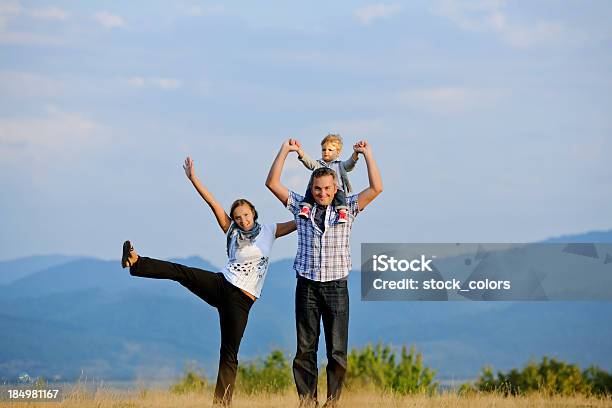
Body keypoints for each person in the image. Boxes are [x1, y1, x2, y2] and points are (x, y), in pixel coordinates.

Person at [121, 156, 296, 406]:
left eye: (246, 215)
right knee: (181, 272)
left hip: (242, 302)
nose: (243, 220)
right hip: (222, 284)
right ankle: (136, 262)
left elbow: (302, 219)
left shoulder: (270, 230)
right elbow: (212, 203)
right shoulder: (232, 231)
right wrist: (194, 179)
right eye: (238, 217)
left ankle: (221, 403)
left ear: (253, 213)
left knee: (229, 354)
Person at [265, 139, 383, 406]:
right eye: (317, 188)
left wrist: (367, 155)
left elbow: (377, 188)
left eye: (327, 188)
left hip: (337, 287)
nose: (322, 193)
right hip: (306, 285)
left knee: (337, 350)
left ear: (335, 188)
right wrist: (285, 150)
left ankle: (332, 401)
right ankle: (307, 401)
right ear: (311, 188)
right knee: (305, 350)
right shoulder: (300, 208)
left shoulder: (348, 209)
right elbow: (272, 183)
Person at [295, 134, 359, 224]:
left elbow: (350, 163)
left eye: (330, 150)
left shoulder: (340, 165)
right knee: (310, 192)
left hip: (336, 190)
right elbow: (308, 161)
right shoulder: (318, 164)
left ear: (338, 152)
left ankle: (342, 213)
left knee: (340, 196)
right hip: (320, 191)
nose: (326, 152)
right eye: (324, 149)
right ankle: (306, 208)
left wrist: (356, 153)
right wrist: (298, 150)